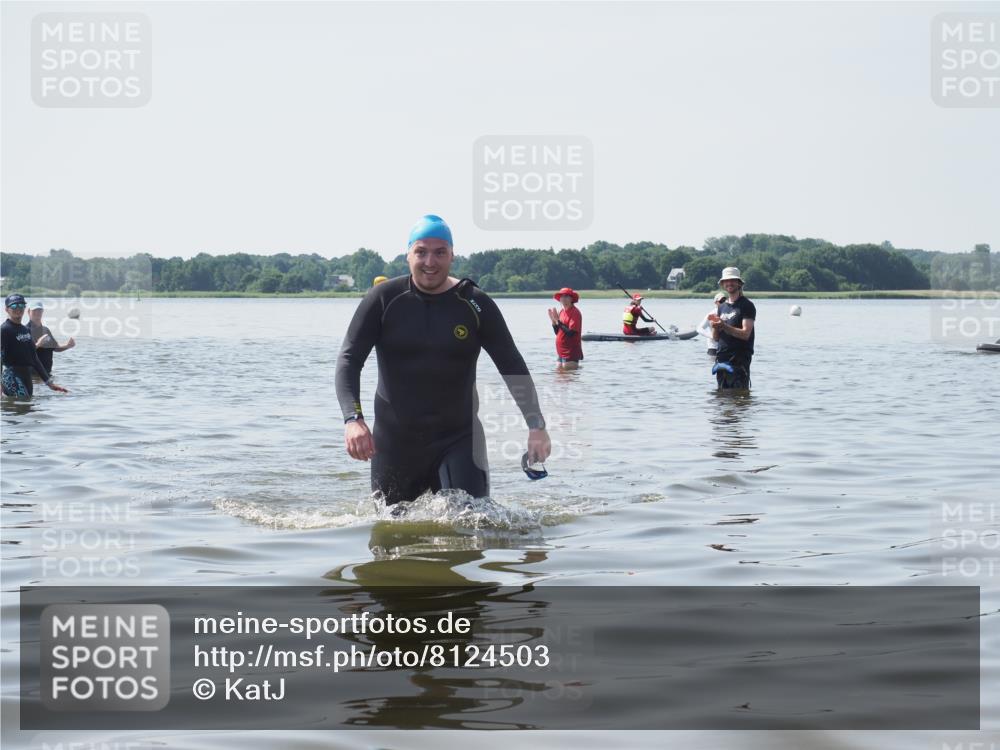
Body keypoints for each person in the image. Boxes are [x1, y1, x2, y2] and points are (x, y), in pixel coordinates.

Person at [335, 215, 551, 506]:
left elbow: (511, 365)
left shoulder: (474, 303)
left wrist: (536, 425)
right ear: (407, 255)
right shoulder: (384, 299)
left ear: (452, 255)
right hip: (395, 442)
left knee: (473, 522)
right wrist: (353, 419)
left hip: (459, 440)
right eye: (421, 252)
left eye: (440, 252)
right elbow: (349, 360)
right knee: (391, 530)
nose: (430, 262)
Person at [1, 294, 68, 397]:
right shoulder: (4, 330)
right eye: (14, 306)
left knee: (28, 403)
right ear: (6, 309)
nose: (18, 308)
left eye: (21, 305)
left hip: (26, 377)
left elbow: (34, 358)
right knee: (21, 404)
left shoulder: (25, 330)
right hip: (11, 377)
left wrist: (49, 383)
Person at [710, 267, 756, 389]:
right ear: (722, 284)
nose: (729, 283)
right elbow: (716, 338)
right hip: (721, 360)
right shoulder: (721, 307)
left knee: (738, 398)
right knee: (721, 398)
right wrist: (714, 326)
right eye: (726, 281)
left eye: (732, 280)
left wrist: (724, 326)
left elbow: (745, 334)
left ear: (739, 283)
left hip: (738, 361)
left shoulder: (746, 305)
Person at [27, 301, 75, 375]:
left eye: (39, 310)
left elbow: (55, 348)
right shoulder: (25, 330)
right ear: (28, 312)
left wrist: (67, 346)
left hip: (47, 373)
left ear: (42, 312)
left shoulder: (46, 330)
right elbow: (23, 352)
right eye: (34, 310)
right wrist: (38, 344)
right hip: (32, 375)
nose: (37, 312)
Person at [547, 287, 582, 368]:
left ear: (571, 298)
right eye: (561, 296)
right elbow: (558, 332)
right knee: (558, 373)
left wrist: (558, 321)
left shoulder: (575, 312)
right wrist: (553, 322)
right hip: (560, 351)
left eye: (566, 296)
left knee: (569, 375)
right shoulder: (562, 312)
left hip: (571, 351)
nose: (563, 298)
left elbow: (570, 333)